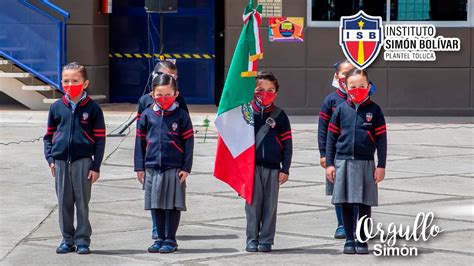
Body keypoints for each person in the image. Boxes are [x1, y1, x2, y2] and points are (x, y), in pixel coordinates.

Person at [44, 62, 106, 254]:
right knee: (64, 203)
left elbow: (100, 140)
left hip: (83, 163)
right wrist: (51, 159)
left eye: (75, 81)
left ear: (85, 83)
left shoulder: (93, 109)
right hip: (61, 162)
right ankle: (66, 239)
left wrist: (96, 166)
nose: (70, 84)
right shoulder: (56, 107)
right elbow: (48, 136)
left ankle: (82, 240)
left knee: (81, 203)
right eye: (66, 81)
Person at [325, 68, 387, 254]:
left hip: (366, 163)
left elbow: (382, 140)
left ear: (368, 87)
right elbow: (331, 138)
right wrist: (329, 163)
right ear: (346, 86)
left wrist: (381, 165)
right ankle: (350, 240)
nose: (357, 89)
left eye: (362, 86)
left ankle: (362, 240)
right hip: (342, 162)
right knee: (345, 201)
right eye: (353, 86)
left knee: (363, 203)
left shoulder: (375, 111)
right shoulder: (341, 109)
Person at [134, 74, 194, 253]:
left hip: (174, 168)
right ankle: (159, 238)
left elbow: (189, 143)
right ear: (152, 94)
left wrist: (186, 167)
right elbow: (140, 143)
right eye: (159, 95)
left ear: (176, 94)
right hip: (152, 166)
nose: (164, 99)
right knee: (156, 203)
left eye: (168, 94)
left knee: (173, 204)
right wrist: (140, 167)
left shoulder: (181, 115)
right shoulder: (147, 115)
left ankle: (171, 239)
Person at [245, 71, 293, 253]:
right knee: (252, 206)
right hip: (252, 169)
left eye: (270, 90)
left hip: (273, 168)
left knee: (270, 206)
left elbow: (288, 144)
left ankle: (266, 239)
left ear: (276, 92)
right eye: (260, 90)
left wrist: (285, 168)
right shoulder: (248, 113)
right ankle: (251, 238)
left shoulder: (280, 116)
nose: (265, 94)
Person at [318, 60, 355, 239]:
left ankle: (356, 225)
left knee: (357, 191)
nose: (347, 77)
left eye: (351, 72)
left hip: (357, 156)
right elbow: (323, 128)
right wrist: (324, 153)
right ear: (336, 76)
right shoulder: (331, 100)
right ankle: (342, 225)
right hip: (336, 155)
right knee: (338, 192)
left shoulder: (361, 99)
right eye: (344, 73)